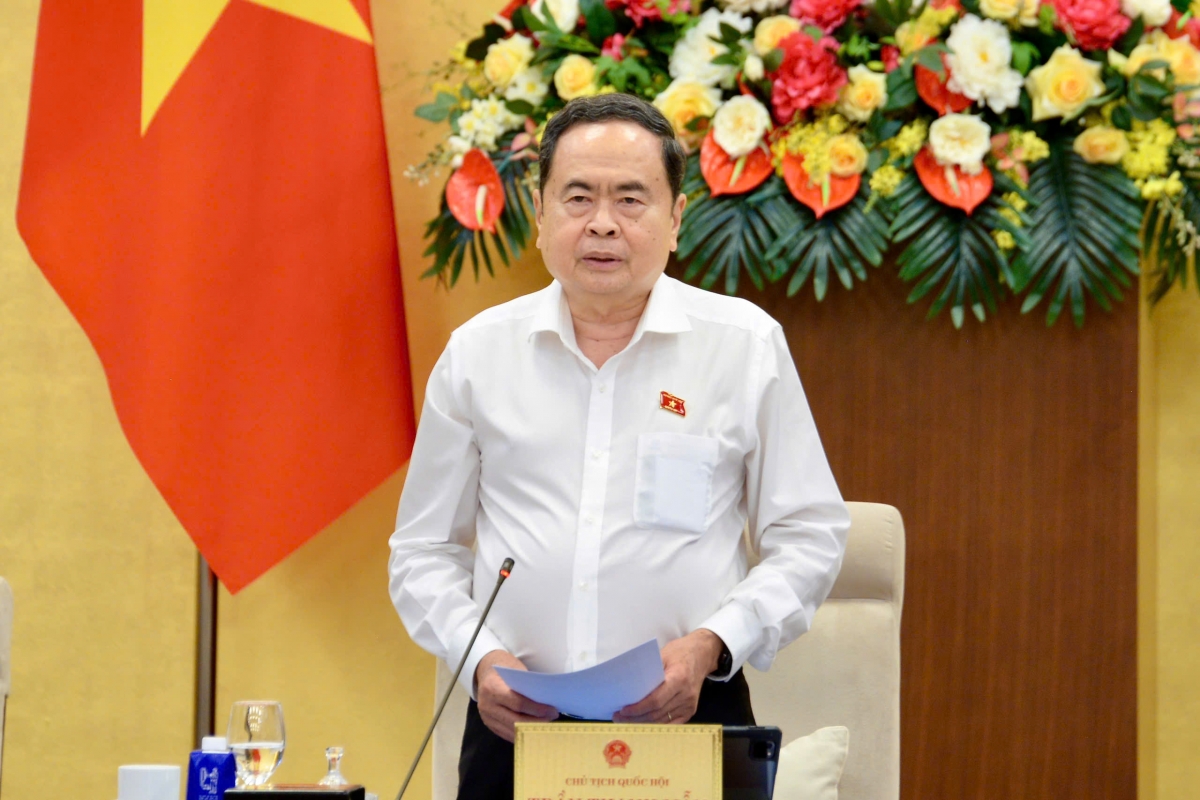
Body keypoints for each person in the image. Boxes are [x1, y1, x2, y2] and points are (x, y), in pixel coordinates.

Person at [388, 93, 849, 800]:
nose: (602, 223)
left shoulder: (743, 346)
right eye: (578, 197)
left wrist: (712, 645)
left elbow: (811, 535)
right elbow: (422, 552)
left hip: (692, 716)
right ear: (540, 216)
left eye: (631, 198)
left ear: (676, 220)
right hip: (518, 728)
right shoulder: (478, 354)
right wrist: (483, 661)